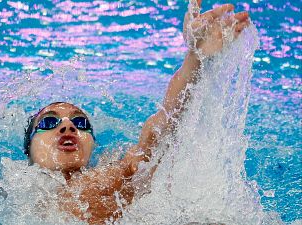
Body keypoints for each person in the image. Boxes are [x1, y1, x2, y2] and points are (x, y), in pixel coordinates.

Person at [22, 0, 250, 224]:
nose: (67, 126)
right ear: (29, 148)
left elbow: (161, 125)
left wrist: (195, 57)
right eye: (49, 122)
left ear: (92, 143)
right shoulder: (5, 193)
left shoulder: (112, 175)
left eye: (80, 123)